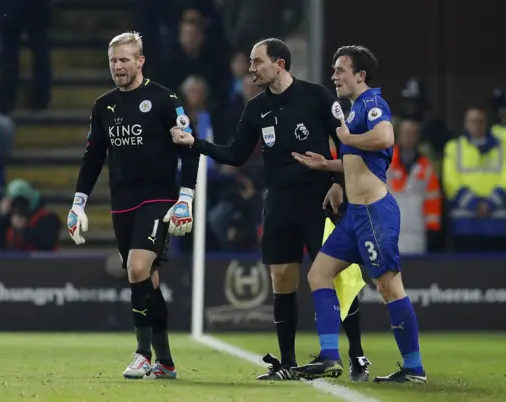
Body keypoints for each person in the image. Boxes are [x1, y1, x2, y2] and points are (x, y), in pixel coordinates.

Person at [170, 38, 369, 381]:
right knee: (281, 279)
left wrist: (339, 184)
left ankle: (357, 356)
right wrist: (196, 144)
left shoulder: (317, 96)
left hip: (319, 197)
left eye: (257, 62)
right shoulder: (255, 108)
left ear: (279, 64)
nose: (251, 69)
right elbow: (235, 154)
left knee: (338, 276)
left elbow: (345, 141)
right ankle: (288, 363)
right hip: (278, 200)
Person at [66, 31, 200, 380]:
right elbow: (92, 158)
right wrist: (78, 203)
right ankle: (166, 362)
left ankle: (142, 354)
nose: (118, 66)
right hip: (121, 202)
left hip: (158, 198)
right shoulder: (103, 105)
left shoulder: (165, 98)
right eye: (113, 60)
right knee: (148, 282)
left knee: (137, 269)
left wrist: (186, 198)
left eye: (125, 59)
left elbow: (190, 148)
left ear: (141, 61)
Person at [290, 45, 427, 383]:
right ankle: (329, 356)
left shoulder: (373, 104)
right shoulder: (352, 111)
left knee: (388, 287)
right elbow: (356, 160)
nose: (334, 75)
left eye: (340, 70)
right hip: (354, 217)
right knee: (318, 274)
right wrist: (327, 165)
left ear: (360, 75)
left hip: (374, 214)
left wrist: (348, 137)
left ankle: (414, 368)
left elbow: (385, 137)